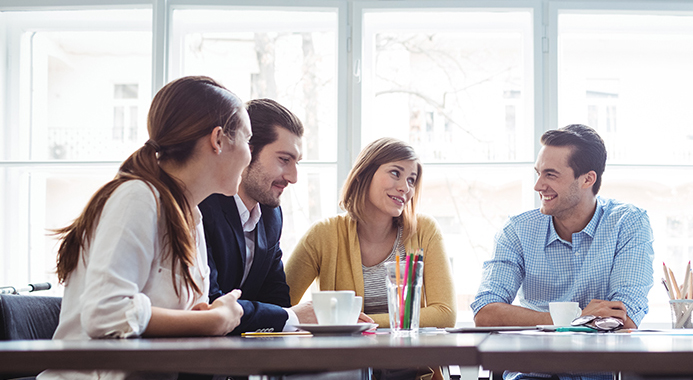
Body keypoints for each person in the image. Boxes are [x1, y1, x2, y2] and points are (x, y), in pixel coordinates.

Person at [40, 76, 248, 380]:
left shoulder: (190, 216)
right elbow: (105, 312)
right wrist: (214, 320)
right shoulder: (138, 197)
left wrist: (207, 316)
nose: (249, 155)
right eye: (247, 140)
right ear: (218, 140)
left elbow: (183, 319)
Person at [471, 124, 654, 380]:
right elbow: (485, 313)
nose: (538, 186)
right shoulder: (518, 230)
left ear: (587, 179)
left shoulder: (628, 223)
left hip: (600, 376)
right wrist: (571, 320)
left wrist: (547, 323)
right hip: (532, 376)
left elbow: (624, 318)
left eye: (550, 175)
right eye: (538, 173)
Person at [285, 137, 456, 330]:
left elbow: (445, 314)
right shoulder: (323, 235)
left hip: (409, 351)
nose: (405, 188)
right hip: (345, 351)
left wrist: (354, 322)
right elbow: (278, 307)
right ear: (363, 173)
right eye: (395, 173)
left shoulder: (425, 230)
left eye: (411, 180)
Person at [198, 98, 315, 335]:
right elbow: (210, 303)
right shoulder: (202, 207)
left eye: (296, 162)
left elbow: (276, 300)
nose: (293, 177)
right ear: (246, 152)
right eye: (284, 160)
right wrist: (291, 316)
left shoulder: (271, 215)